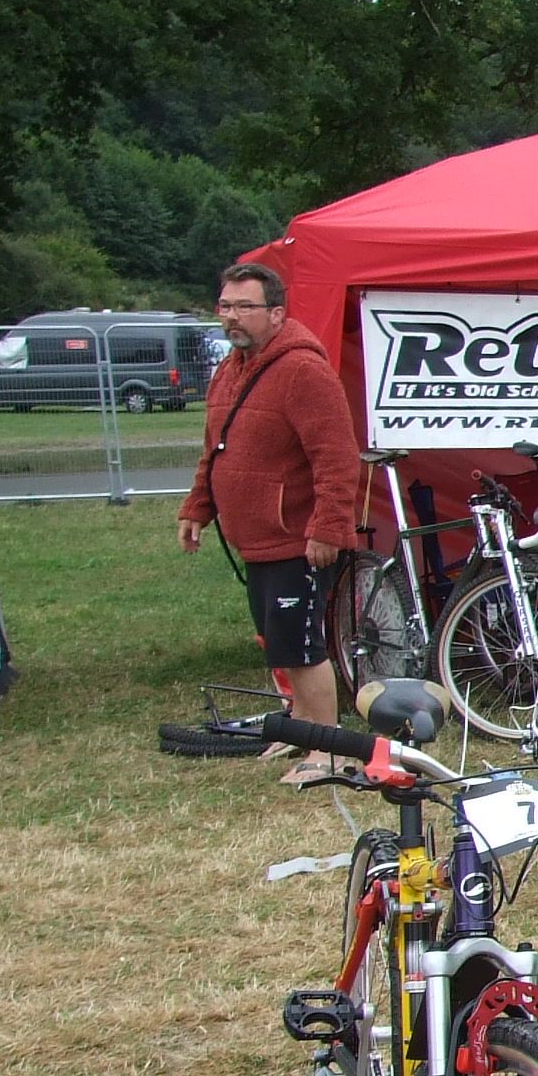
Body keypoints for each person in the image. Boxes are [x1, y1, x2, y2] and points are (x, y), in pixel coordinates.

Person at [177, 263, 360, 784]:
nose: (231, 317)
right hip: (256, 539)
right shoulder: (230, 369)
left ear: (276, 313)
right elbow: (215, 449)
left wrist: (328, 526)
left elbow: (335, 456)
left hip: (296, 540)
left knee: (302, 646)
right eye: (225, 306)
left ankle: (327, 749)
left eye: (244, 307)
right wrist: (197, 508)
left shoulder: (303, 370)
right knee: (277, 641)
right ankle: (300, 728)